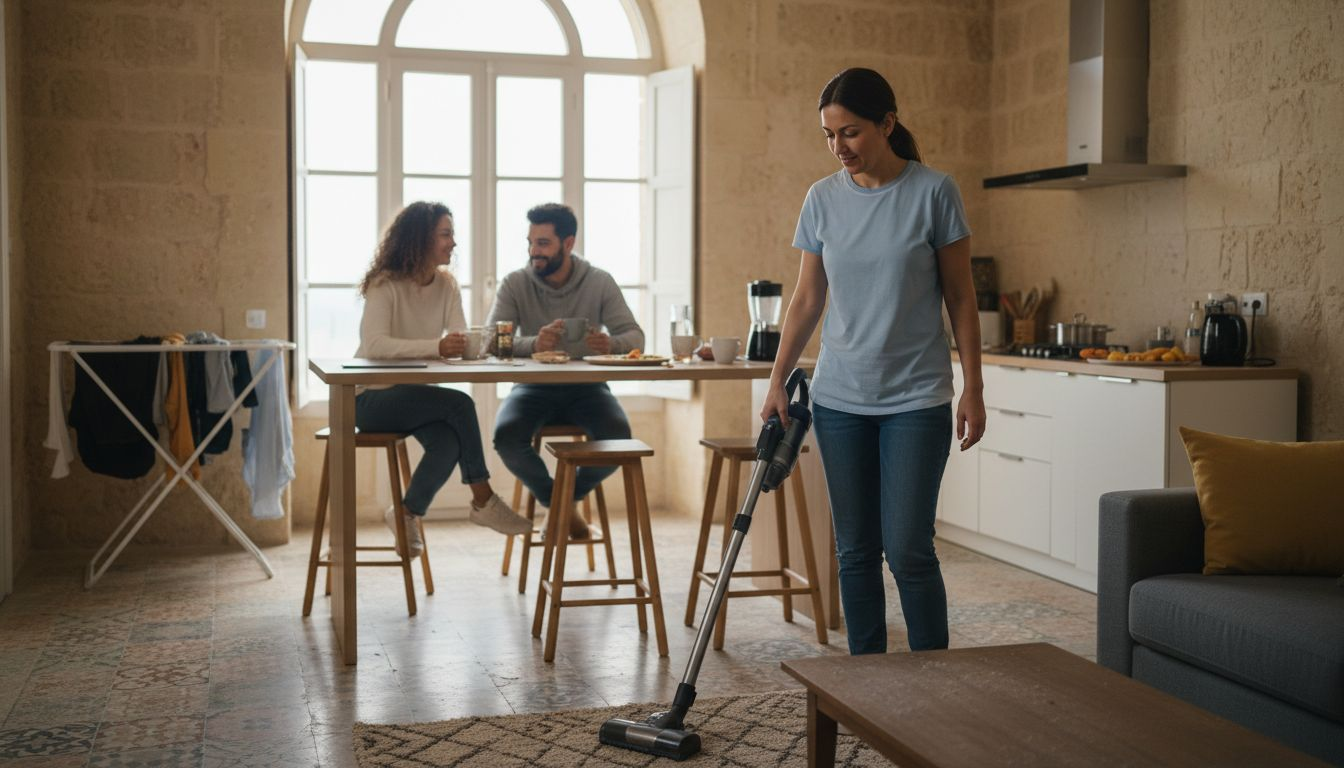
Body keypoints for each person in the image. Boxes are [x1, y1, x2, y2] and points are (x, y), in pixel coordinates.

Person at [761, 68, 987, 655]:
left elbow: (961, 298)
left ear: (887, 124)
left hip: (916, 398)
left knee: (908, 547)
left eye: (852, 132)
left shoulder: (935, 192)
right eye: (830, 136)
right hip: (840, 400)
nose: (840, 148)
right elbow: (808, 299)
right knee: (855, 550)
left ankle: (933, 684)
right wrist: (777, 381)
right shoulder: (822, 198)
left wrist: (974, 388)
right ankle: (866, 689)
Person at [354, 201, 531, 557]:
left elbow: (460, 336)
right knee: (460, 404)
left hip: (415, 397)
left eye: (452, 234)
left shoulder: (447, 284)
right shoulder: (384, 285)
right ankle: (483, 499)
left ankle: (405, 513)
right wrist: (436, 345)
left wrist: (471, 346)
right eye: (446, 234)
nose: (453, 243)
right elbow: (374, 344)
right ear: (420, 239)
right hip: (370, 399)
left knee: (449, 443)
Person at [486, 203, 644, 538]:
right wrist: (533, 344)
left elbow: (635, 337)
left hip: (588, 386)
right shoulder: (514, 283)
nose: (533, 252)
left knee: (619, 441)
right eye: (530, 243)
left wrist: (609, 344)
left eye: (542, 243)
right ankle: (562, 506)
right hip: (532, 386)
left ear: (568, 244)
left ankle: (559, 504)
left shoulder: (599, 281)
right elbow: (490, 341)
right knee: (506, 438)